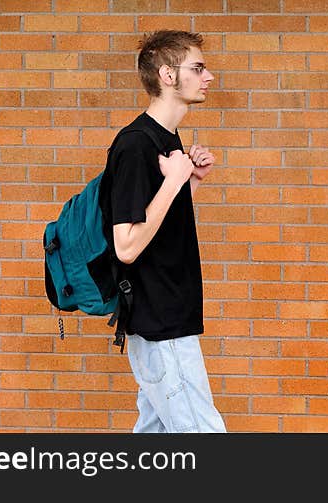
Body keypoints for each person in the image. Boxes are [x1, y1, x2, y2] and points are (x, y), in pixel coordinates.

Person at [99, 30, 225, 433]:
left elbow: (158, 225)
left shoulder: (166, 138)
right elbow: (127, 245)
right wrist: (174, 180)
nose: (208, 77)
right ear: (168, 75)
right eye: (197, 68)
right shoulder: (136, 145)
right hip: (162, 325)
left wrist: (189, 182)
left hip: (169, 319)